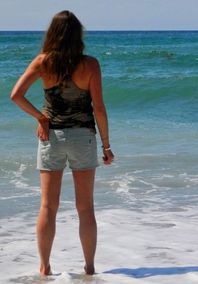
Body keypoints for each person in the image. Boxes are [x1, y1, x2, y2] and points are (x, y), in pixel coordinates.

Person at [10, 10, 114, 276]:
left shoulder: (43, 62)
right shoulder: (90, 64)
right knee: (85, 207)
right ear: (78, 35)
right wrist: (106, 145)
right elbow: (99, 108)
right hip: (83, 137)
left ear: (52, 34)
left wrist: (41, 117)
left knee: (47, 206)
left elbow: (16, 95)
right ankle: (89, 267)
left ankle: (44, 267)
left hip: (52, 137)